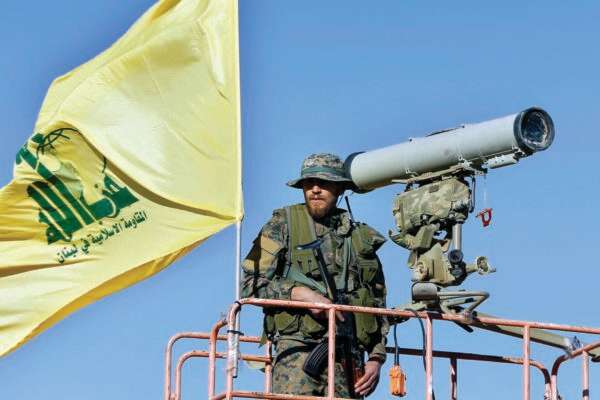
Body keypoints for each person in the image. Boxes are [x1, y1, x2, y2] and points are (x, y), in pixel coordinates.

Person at [242, 153, 388, 398]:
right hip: (297, 353)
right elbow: (249, 283)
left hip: (347, 356)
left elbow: (376, 301)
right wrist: (300, 295)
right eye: (309, 183)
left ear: (339, 188)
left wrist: (376, 357)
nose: (315, 189)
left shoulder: (360, 238)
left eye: (324, 183)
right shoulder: (282, 224)